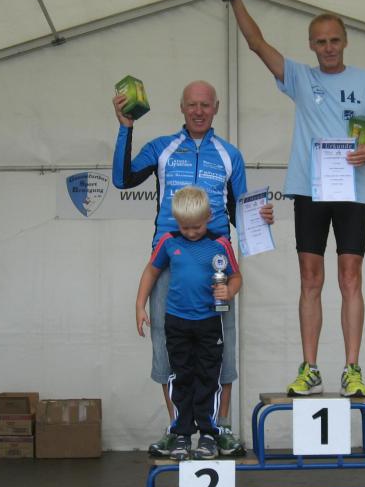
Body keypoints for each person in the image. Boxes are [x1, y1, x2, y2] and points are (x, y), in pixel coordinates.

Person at [220, 0, 365, 397]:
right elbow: (256, 44)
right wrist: (235, 0)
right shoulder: (301, 78)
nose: (328, 48)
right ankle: (310, 368)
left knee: (350, 277)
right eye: (321, 42)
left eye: (334, 40)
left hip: (351, 192)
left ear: (346, 41)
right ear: (311, 45)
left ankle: (352, 369)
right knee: (310, 278)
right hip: (309, 190)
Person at [112, 80, 272, 457]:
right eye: (192, 105)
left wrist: (260, 218)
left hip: (216, 266)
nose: (198, 111)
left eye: (205, 105)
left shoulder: (230, 155)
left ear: (216, 107)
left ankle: (219, 429)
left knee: (221, 349)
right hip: (170, 260)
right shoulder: (162, 148)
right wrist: (125, 127)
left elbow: (239, 210)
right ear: (181, 108)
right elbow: (122, 179)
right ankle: (178, 429)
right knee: (168, 350)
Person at [135, 186, 241, 460]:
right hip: (177, 322)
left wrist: (229, 291)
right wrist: (140, 305)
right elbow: (151, 271)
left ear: (209, 217)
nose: (191, 233)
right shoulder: (168, 241)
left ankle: (208, 434)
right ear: (176, 221)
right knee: (180, 376)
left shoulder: (220, 244)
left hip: (209, 322)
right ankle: (181, 433)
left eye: (197, 227)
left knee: (208, 377)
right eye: (185, 227)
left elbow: (236, 276)